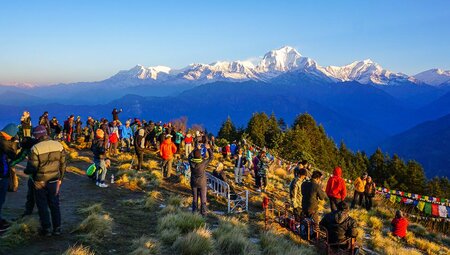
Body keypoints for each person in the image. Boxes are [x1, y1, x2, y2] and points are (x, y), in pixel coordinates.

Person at [24, 125, 66, 236]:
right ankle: (57, 228)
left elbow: (32, 167)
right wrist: (60, 178)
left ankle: (46, 228)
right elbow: (63, 164)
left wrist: (26, 172)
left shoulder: (35, 148)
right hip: (54, 180)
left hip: (39, 181)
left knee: (42, 204)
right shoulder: (59, 145)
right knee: (54, 204)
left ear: (37, 136)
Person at [0, 125, 20, 232]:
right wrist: (16, 143)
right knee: (0, 199)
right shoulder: (3, 142)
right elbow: (13, 155)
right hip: (1, 174)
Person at [189, 143, 213, 216]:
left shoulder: (191, 162)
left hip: (194, 182)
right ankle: (203, 213)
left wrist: (196, 149)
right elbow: (211, 157)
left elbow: (189, 156)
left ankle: (194, 212)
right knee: (203, 199)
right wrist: (208, 149)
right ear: (200, 156)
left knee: (195, 198)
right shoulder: (203, 163)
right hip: (202, 183)